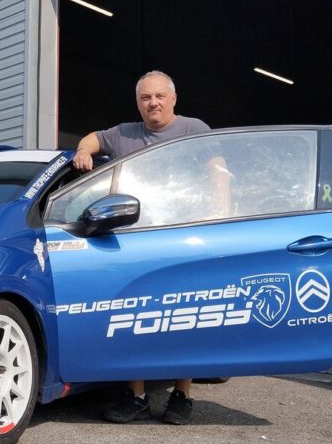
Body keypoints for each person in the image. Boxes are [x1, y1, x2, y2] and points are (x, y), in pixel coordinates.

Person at [72, 70, 227, 425]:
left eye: (159, 96)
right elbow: (93, 138)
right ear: (138, 103)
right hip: (137, 243)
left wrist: (219, 218)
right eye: (145, 98)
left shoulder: (193, 129)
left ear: (173, 99)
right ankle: (136, 394)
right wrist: (83, 150)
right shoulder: (124, 133)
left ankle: (183, 394)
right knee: (137, 316)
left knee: (183, 317)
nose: (153, 103)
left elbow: (219, 171)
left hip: (183, 239)